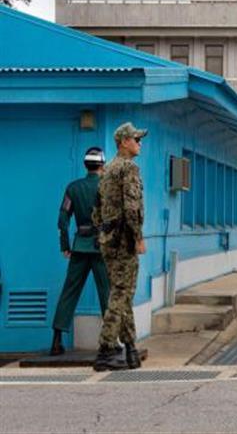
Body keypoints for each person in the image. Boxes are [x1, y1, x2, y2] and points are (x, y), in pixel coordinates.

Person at [92, 122, 147, 371]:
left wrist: (104, 232)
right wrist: (138, 237)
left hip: (108, 239)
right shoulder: (128, 168)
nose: (139, 143)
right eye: (136, 139)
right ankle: (105, 348)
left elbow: (96, 210)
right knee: (121, 293)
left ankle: (131, 349)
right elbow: (132, 208)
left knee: (121, 293)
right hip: (124, 240)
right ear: (124, 142)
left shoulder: (107, 170)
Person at [50, 147, 110, 356]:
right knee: (107, 292)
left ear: (86, 165)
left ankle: (56, 340)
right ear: (102, 165)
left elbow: (62, 219)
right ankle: (111, 342)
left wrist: (65, 246)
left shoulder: (73, 188)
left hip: (79, 246)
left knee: (69, 291)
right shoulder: (108, 187)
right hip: (102, 247)